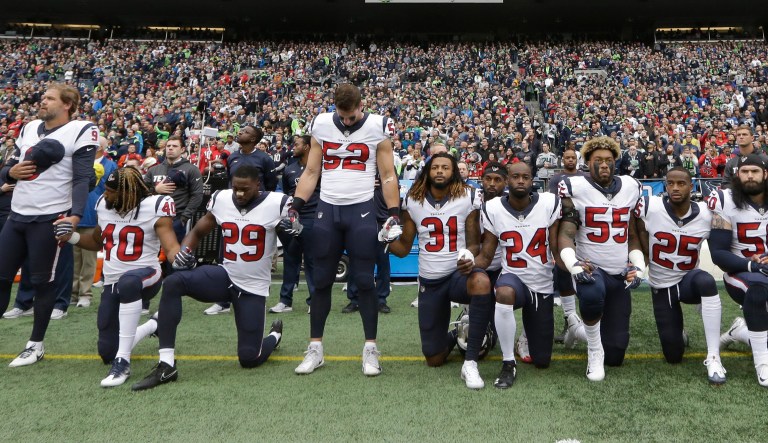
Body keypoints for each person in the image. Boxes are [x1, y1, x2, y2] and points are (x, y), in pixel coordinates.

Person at [131, 165, 285, 391]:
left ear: (258, 185)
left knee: (249, 358)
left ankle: (273, 336)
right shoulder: (222, 199)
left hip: (253, 287)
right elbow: (197, 232)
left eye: (245, 189)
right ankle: (166, 364)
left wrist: (296, 231)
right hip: (225, 275)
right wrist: (185, 251)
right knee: (174, 281)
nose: (239, 194)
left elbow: (296, 241)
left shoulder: (276, 203)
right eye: (235, 189)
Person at [286, 84, 402, 377]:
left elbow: (388, 174)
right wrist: (297, 203)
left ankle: (370, 349)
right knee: (322, 279)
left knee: (365, 280)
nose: (348, 122)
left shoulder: (378, 125)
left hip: (361, 209)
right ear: (335, 108)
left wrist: (394, 213)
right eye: (343, 116)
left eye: (352, 117)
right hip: (328, 208)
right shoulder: (322, 124)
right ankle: (315, 348)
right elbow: (312, 171)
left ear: (362, 105)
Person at [0, 83, 97, 367]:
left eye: (49, 98)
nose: (42, 101)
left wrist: (75, 216)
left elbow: (82, 178)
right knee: (2, 277)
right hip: (17, 213)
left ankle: (35, 345)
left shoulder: (81, 129)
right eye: (43, 97)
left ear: (67, 105)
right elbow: (11, 167)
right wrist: (10, 171)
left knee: (43, 282)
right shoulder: (29, 128)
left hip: (49, 216)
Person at [56, 167, 180, 387]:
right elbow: (96, 242)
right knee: (106, 351)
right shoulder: (104, 206)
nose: (106, 195)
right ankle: (153, 325)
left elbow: (170, 247)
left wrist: (179, 259)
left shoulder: (154, 207)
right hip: (114, 281)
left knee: (129, 282)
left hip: (146, 275)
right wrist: (71, 237)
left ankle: (123, 362)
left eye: (111, 191)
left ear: (127, 193)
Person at [388, 153, 494, 389]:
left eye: (445, 167)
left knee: (481, 282)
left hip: (458, 275)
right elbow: (404, 248)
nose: (439, 171)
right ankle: (459, 334)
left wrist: (469, 257)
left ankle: (471, 361)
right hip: (431, 281)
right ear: (427, 172)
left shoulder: (467, 196)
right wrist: (384, 239)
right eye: (435, 167)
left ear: (453, 172)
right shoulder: (413, 201)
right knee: (433, 358)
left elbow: (474, 242)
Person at [556, 136, 645, 381]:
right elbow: (565, 232)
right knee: (592, 290)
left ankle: (578, 330)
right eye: (598, 161)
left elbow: (633, 234)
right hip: (591, 268)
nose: (604, 165)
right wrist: (572, 262)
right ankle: (594, 351)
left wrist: (638, 266)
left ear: (615, 161)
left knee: (616, 354)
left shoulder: (630, 186)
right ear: (587, 163)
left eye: (608, 160)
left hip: (618, 273)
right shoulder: (575, 187)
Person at [634, 167, 726, 384]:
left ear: (691, 185)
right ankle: (679, 332)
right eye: (670, 183)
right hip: (661, 286)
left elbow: (723, 245)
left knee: (706, 280)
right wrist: (637, 265)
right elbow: (634, 235)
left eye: (681, 183)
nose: (675, 188)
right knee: (673, 356)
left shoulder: (707, 213)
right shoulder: (650, 207)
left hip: (688, 281)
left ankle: (714, 355)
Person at [476, 161, 561, 388]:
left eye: (525, 177)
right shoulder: (493, 208)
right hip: (513, 278)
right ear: (508, 180)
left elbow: (556, 248)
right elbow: (486, 255)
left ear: (532, 180)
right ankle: (508, 362)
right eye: (515, 176)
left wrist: (576, 265)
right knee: (503, 291)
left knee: (542, 360)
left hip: (541, 285)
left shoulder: (548, 203)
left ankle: (523, 337)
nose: (520, 181)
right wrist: (466, 266)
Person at [708, 154, 768, 386]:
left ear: (765, 174)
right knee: (758, 290)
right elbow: (718, 254)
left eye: (755, 171)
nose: (750, 176)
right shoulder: (725, 200)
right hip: (740, 273)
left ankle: (739, 332)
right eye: (745, 171)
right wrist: (751, 264)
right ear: (737, 175)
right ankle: (763, 365)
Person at [204, 125, 277, 315]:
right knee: (225, 253)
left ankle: (257, 297)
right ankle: (222, 302)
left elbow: (270, 184)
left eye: (245, 132)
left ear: (253, 139)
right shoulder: (233, 156)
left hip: (256, 210)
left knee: (258, 254)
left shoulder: (264, 158)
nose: (240, 133)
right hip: (233, 207)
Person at [269, 135, 318, 314]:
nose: (292, 147)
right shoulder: (289, 169)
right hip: (293, 218)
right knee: (290, 259)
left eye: (296, 144)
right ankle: (285, 300)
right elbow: (287, 195)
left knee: (312, 261)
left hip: (312, 217)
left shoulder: (318, 168)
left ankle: (315, 301)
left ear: (306, 147)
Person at [71, 135, 117, 308]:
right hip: (75, 214)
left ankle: (85, 293)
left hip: (94, 216)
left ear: (99, 147)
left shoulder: (110, 165)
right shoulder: (80, 162)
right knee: (74, 259)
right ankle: (73, 293)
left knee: (89, 260)